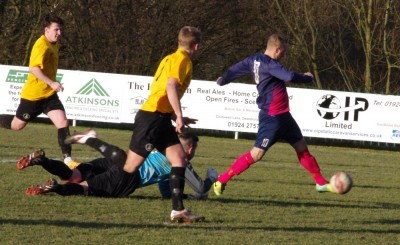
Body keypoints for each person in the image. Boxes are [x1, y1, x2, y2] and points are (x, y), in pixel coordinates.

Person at [213, 34, 335, 196]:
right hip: (271, 118)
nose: (283, 55)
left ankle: (320, 182)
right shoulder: (270, 64)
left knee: (302, 148)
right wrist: (307, 78)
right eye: (283, 51)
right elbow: (289, 76)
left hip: (284, 116)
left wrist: (224, 80)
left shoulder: (253, 60)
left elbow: (235, 70)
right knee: (256, 154)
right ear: (277, 49)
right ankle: (221, 180)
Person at [122, 26, 203, 222]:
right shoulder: (182, 60)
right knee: (129, 168)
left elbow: (163, 89)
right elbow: (170, 86)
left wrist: (175, 116)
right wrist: (179, 114)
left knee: (179, 159)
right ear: (196, 46)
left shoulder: (170, 58)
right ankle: (88, 182)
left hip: (160, 118)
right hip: (151, 118)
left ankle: (178, 210)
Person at [19, 130, 218, 201]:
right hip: (128, 177)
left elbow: (167, 190)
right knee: (82, 187)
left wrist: (180, 195)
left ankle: (42, 160)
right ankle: (55, 188)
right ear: (189, 149)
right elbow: (201, 188)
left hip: (118, 161)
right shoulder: (180, 160)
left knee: (74, 174)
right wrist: (212, 176)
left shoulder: (162, 145)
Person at [0, 13, 78, 169]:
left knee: (63, 122)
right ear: (46, 30)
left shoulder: (54, 44)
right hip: (33, 97)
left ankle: (68, 160)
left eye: (60, 30)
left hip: (49, 95)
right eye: (56, 29)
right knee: (17, 125)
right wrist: (52, 82)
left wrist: (51, 86)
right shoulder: (41, 45)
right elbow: (33, 69)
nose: (59, 33)